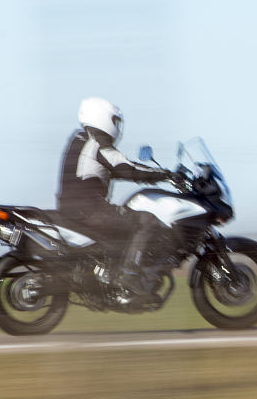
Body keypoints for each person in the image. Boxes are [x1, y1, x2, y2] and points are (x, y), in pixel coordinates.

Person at [56, 97, 172, 306]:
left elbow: (108, 170)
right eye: (115, 121)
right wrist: (166, 174)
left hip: (71, 210)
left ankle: (111, 273)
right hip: (90, 211)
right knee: (147, 222)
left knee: (122, 230)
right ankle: (129, 277)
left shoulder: (79, 140)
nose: (117, 127)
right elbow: (127, 168)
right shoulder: (98, 144)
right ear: (103, 118)